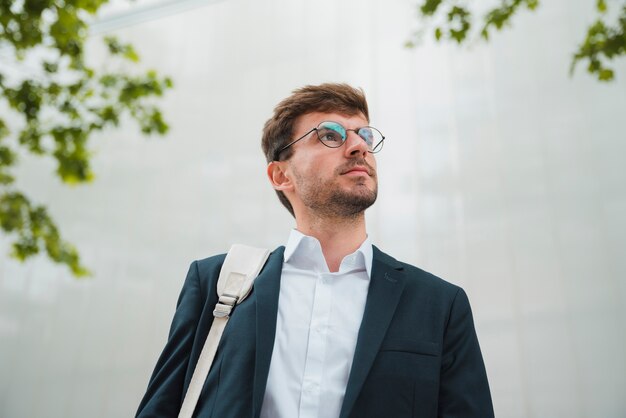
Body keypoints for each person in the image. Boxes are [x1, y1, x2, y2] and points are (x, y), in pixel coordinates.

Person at [136, 83, 494, 418]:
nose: (358, 146)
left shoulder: (439, 304)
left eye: (364, 135)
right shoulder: (217, 282)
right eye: (330, 135)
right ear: (280, 176)